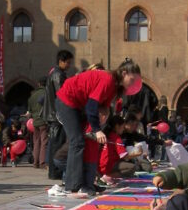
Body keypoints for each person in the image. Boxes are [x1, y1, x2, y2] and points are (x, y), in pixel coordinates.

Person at [53, 58, 143, 198]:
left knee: (91, 142)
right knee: (77, 142)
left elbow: (102, 107)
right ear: (124, 73)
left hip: (78, 105)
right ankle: (74, 186)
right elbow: (91, 106)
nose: (132, 85)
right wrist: (97, 129)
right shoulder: (107, 79)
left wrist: (103, 119)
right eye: (131, 80)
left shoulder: (114, 87)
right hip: (67, 100)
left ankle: (87, 183)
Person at [44, 49, 74, 180]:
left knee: (56, 143)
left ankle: (54, 172)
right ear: (61, 61)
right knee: (57, 144)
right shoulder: (58, 75)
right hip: (56, 115)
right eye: (67, 62)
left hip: (54, 114)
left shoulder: (57, 73)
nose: (69, 65)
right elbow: (62, 94)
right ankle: (54, 172)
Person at [27, 78, 48, 169]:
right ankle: (42, 162)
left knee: (36, 142)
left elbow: (29, 111)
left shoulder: (32, 96)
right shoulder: (47, 93)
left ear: (39, 84)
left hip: (35, 121)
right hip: (44, 120)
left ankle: (35, 162)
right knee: (44, 142)